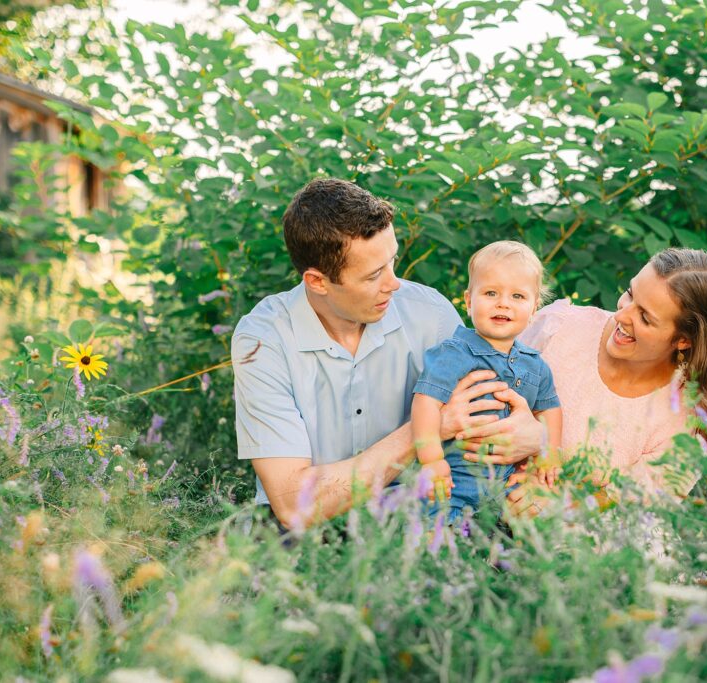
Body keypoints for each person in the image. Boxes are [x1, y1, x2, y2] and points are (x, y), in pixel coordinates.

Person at [230, 179, 545, 529]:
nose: (394, 283)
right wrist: (427, 429)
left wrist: (534, 441)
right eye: (374, 274)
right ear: (318, 281)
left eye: (392, 261)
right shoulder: (263, 339)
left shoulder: (431, 314)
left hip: (420, 513)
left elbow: (492, 410)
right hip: (309, 532)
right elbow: (293, 505)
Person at [455, 248, 707, 516]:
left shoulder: (685, 423)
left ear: (682, 340)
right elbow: (480, 383)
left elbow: (630, 509)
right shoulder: (560, 326)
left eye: (644, 317)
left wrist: (558, 502)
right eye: (630, 294)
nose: (621, 315)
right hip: (481, 496)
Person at [411, 241, 563, 521]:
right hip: (454, 483)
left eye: (518, 296)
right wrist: (431, 459)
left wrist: (549, 451)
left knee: (512, 541)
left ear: (534, 309)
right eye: (491, 292)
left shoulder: (535, 364)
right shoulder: (454, 352)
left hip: (504, 489)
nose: (503, 302)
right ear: (469, 301)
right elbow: (426, 403)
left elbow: (549, 408)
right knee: (438, 539)